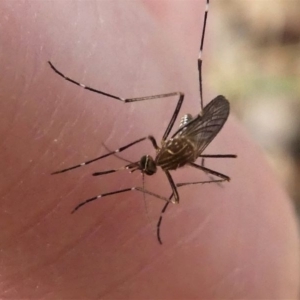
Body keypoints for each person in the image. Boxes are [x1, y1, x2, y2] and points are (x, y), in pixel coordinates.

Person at [0, 1, 298, 298]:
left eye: (144, 165)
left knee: (182, 109)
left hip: (192, 140)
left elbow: (165, 178)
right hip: (189, 138)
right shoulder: (159, 155)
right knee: (184, 117)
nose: (142, 164)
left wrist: (149, 190)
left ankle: (204, 16)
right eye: (145, 164)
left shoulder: (158, 153)